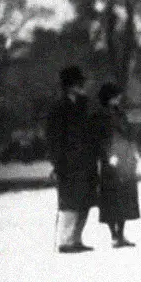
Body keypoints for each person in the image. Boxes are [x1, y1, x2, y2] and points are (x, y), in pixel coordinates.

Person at [46, 65, 98, 253]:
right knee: (69, 201)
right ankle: (66, 241)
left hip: (86, 160)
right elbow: (53, 137)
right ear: (70, 86)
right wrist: (56, 162)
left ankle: (76, 238)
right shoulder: (59, 108)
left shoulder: (83, 104)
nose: (82, 86)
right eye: (78, 83)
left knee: (85, 200)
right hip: (68, 161)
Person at [93, 82, 140, 248]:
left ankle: (120, 233)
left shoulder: (120, 114)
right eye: (116, 95)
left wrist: (133, 150)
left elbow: (129, 134)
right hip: (111, 161)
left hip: (125, 158)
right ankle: (114, 234)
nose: (119, 98)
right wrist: (108, 155)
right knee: (112, 198)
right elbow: (100, 138)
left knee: (125, 196)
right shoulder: (101, 115)